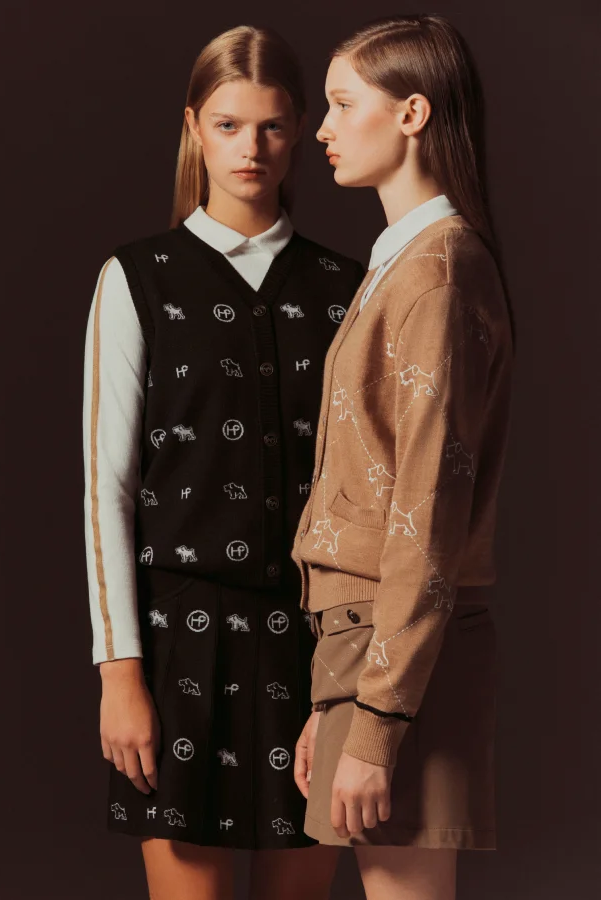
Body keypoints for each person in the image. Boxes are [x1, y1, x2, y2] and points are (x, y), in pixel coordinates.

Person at [82, 24, 364, 900]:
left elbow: (364, 491)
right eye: (229, 125)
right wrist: (120, 674)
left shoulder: (347, 287)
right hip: (179, 646)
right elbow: (107, 487)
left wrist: (356, 675)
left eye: (272, 126)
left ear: (301, 129)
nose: (252, 148)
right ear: (194, 128)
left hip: (313, 650)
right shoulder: (138, 278)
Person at [291, 14, 514, 900]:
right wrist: (332, 700)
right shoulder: (404, 262)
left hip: (399, 646)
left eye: (344, 104)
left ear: (412, 114)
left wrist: (377, 720)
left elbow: (426, 513)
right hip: (367, 642)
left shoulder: (437, 272)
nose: (323, 128)